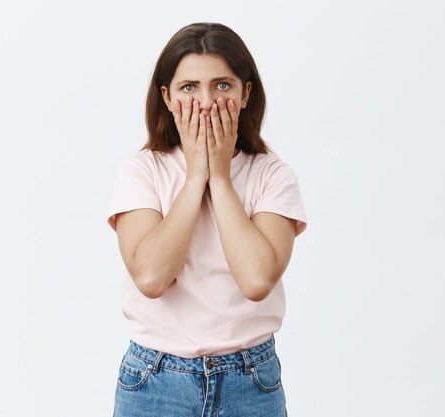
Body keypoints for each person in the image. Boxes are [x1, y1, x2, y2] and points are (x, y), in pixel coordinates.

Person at [107, 22, 307, 417]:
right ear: (166, 97)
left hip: (250, 382)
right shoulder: (142, 172)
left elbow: (256, 280)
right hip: (154, 381)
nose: (206, 102)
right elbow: (150, 277)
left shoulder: (272, 175)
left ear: (246, 93)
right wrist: (196, 176)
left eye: (222, 85)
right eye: (188, 88)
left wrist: (219, 177)